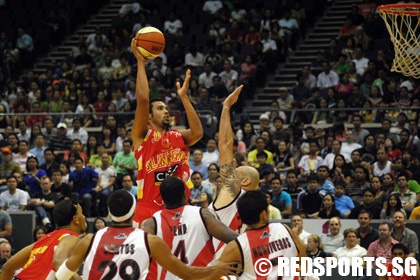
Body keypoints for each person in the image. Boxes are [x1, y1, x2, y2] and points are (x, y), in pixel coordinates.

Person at [54, 190, 238, 280]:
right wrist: (216, 269)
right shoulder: (148, 240)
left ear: (110, 212)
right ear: (134, 212)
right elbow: (187, 273)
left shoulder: (89, 239)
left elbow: (60, 276)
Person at [130, 38, 203, 226]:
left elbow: (198, 132)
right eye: (160, 108)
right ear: (149, 117)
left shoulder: (178, 136)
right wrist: (140, 62)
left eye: (167, 108)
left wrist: (184, 98)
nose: (166, 111)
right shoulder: (142, 137)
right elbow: (144, 99)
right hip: (148, 209)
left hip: (180, 209)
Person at [141, 176, 239, 279]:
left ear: (162, 198)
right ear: (185, 194)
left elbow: (140, 258)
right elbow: (234, 238)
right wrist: (225, 261)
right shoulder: (203, 215)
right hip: (203, 277)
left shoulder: (150, 224)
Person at [209, 86, 260, 257]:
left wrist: (225, 108)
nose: (230, 172)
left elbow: (224, 145)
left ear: (244, 182)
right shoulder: (256, 210)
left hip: (216, 263)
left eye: (235, 172)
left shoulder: (234, 194)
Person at [212, 191, 307, 279]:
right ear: (263, 214)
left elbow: (214, 273)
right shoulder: (284, 229)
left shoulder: (237, 245)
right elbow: (303, 258)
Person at [0, 200, 87, 280]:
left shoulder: (44, 239)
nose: (84, 217)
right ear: (76, 219)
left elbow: (7, 267)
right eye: (82, 213)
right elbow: (58, 261)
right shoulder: (71, 237)